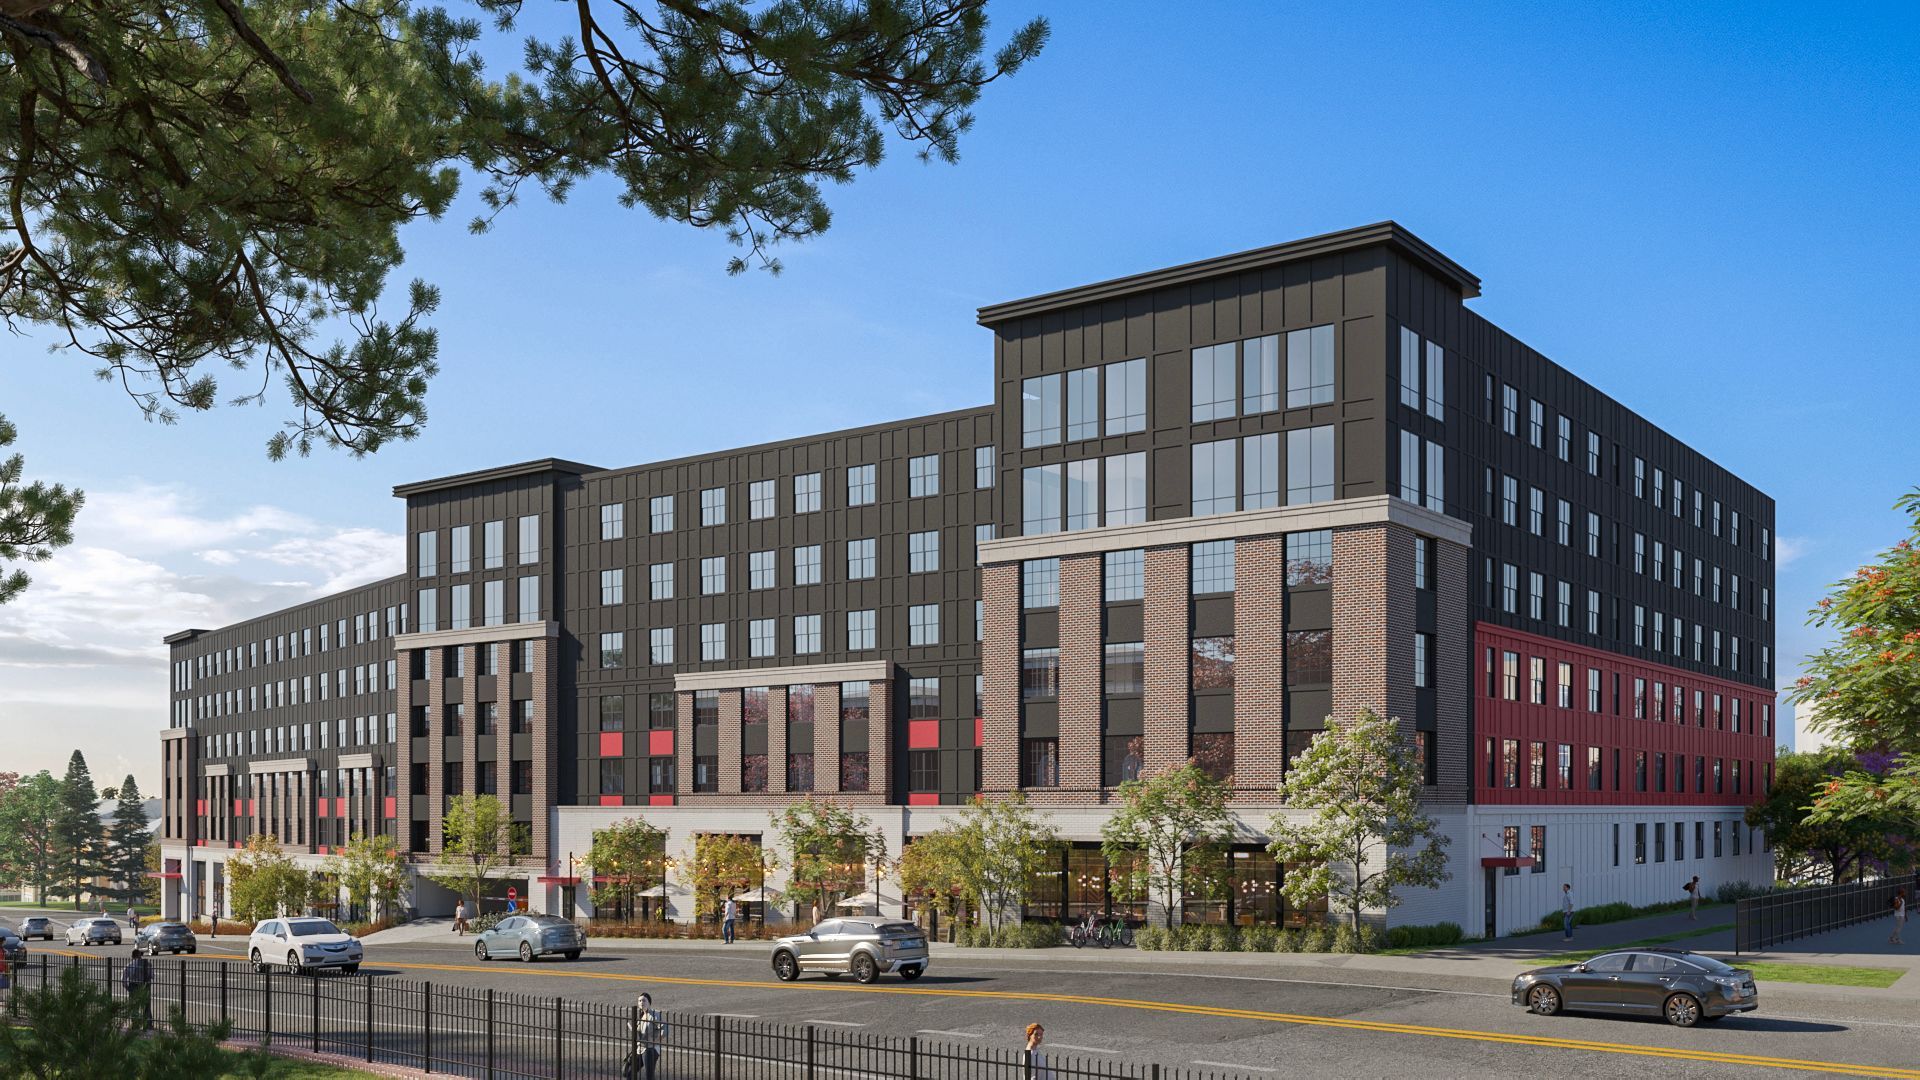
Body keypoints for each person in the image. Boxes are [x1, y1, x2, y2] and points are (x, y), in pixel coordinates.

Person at [625, 992, 663, 1080]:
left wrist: (656, 1041)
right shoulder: (641, 1016)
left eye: (644, 1001)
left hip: (650, 1050)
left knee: (649, 1076)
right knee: (629, 1073)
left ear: (649, 1003)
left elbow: (664, 1029)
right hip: (640, 1049)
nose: (641, 1002)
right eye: (640, 1001)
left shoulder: (654, 1015)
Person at [122, 947, 154, 1030]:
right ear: (140, 956)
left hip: (133, 986)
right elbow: (152, 976)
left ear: (132, 957)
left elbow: (124, 980)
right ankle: (148, 1024)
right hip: (145, 986)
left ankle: (135, 1024)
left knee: (134, 1006)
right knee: (146, 1006)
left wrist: (128, 988)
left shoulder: (129, 965)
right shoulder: (147, 964)